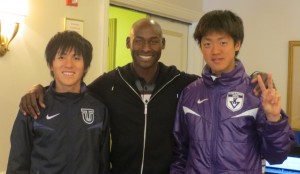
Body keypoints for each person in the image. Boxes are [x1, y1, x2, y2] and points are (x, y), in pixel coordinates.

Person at [19, 18, 267, 174]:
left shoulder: (182, 83)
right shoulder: (109, 83)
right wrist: (39, 89)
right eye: (139, 41)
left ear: (163, 44)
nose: (146, 48)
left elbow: (217, 83)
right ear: (128, 43)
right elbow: (72, 90)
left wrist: (256, 77)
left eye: (153, 41)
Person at [170, 10, 296, 174]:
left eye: (223, 43)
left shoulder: (256, 92)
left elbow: (277, 156)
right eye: (207, 44)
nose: (215, 51)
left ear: (237, 44)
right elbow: (180, 154)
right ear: (201, 47)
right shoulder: (190, 93)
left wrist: (274, 119)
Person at [7, 31, 110, 174]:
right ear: (51, 64)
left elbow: (102, 165)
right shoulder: (33, 106)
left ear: (85, 66)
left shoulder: (99, 109)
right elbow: (17, 164)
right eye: (61, 57)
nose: (69, 65)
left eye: (76, 58)